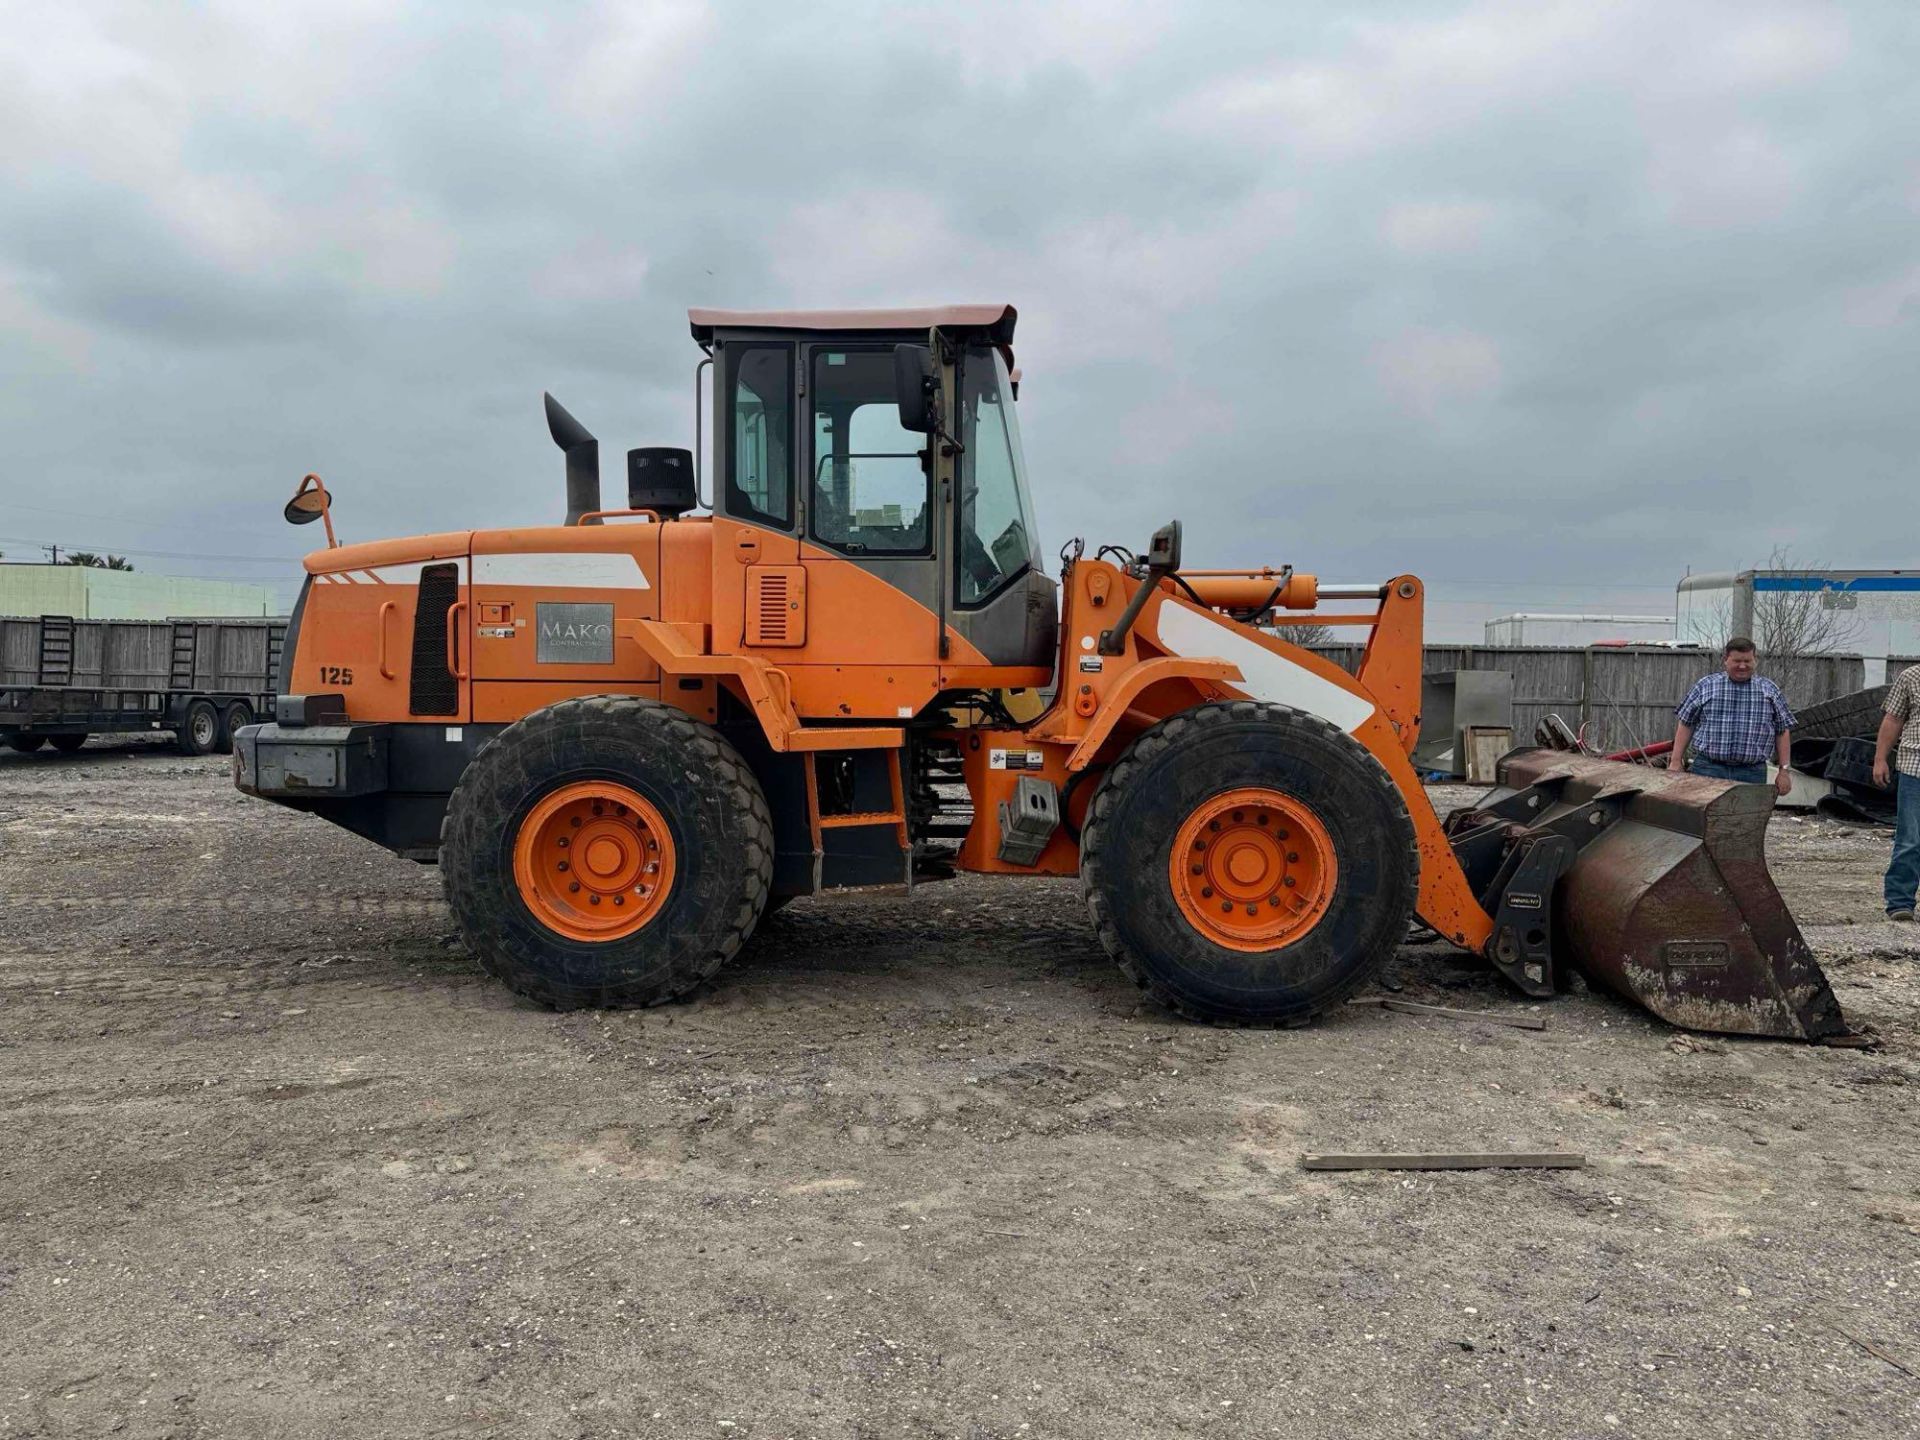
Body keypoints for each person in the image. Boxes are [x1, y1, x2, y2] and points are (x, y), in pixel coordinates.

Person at [1669, 637, 1795, 796]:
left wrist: (1784, 771)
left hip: (1752, 773)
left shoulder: (1770, 691)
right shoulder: (1705, 686)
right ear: (1725, 660)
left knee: (1746, 819)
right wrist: (1675, 761)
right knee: (1703, 819)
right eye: (1737, 661)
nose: (1742, 666)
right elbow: (1686, 723)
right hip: (1708, 769)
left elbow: (1782, 731)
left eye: (1747, 661)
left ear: (1755, 660)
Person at [1872, 662, 1920, 923]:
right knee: (1910, 839)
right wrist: (1880, 758)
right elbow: (1893, 719)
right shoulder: (1911, 677)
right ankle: (1900, 901)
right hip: (1915, 768)